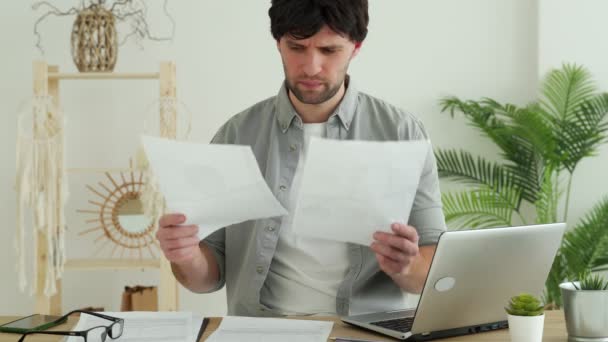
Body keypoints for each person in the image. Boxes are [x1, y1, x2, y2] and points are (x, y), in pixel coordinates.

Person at [156, 0, 446, 317]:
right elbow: (206, 279)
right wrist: (185, 256)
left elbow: (431, 270)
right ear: (278, 44)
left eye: (329, 50)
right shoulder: (237, 135)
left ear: (356, 47)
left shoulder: (402, 132)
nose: (310, 66)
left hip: (363, 331)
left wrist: (407, 266)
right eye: (297, 47)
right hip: (261, 331)